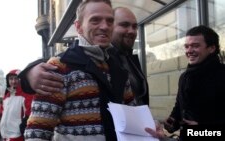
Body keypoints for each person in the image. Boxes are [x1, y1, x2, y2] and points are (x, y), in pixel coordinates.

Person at [21, 1, 164, 141]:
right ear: (78, 27)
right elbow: (37, 132)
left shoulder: (118, 69)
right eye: (95, 20)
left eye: (109, 21)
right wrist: (29, 72)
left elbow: (133, 115)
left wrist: (150, 127)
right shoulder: (60, 67)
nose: (104, 26)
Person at [164, 25, 225, 140]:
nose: (189, 51)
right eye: (187, 47)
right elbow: (179, 107)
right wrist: (171, 122)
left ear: (211, 48)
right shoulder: (184, 77)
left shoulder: (222, 74)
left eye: (195, 46)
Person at [0, 69, 33, 141]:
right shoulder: (6, 96)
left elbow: (29, 114)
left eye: (16, 78)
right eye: (11, 79)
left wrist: (23, 128)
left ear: (20, 80)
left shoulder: (26, 95)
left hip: (18, 134)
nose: (13, 81)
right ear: (8, 80)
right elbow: (2, 111)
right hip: (5, 134)